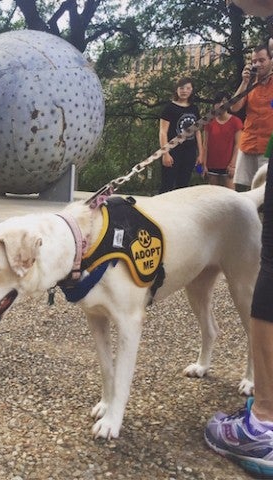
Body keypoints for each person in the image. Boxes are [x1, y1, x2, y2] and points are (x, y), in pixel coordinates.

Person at [204, 2, 273, 477]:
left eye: (265, 52)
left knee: (269, 265)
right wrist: (247, 81)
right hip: (252, 151)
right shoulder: (254, 85)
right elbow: (227, 109)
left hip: (263, 149)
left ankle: (264, 423)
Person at [229, 43, 273, 191]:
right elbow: (234, 107)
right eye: (254, 61)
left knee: (264, 191)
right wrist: (244, 82)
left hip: (268, 146)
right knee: (241, 188)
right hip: (248, 143)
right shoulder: (250, 84)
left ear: (270, 60)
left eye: (261, 60)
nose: (257, 64)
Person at [158, 77, 203, 193]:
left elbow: (197, 132)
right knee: (167, 184)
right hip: (173, 151)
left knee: (183, 185)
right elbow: (163, 132)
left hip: (189, 152)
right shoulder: (169, 108)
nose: (184, 91)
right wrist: (165, 153)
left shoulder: (194, 108)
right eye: (181, 88)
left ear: (192, 90)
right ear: (176, 90)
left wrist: (201, 154)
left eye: (188, 88)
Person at [202, 91, 243, 189]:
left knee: (231, 197)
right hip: (212, 166)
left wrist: (233, 165)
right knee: (213, 197)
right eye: (218, 102)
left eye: (224, 101)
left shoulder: (236, 121)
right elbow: (205, 145)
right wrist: (203, 166)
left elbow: (238, 144)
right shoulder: (209, 121)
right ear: (214, 105)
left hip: (228, 166)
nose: (221, 104)